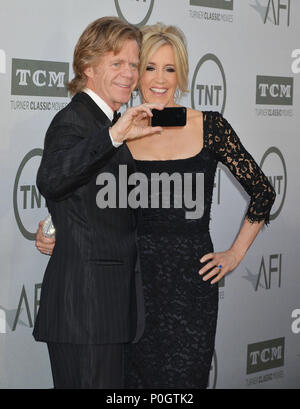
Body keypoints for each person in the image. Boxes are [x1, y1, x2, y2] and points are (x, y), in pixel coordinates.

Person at [36, 23, 276, 389]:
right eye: (147, 67)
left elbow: (262, 191)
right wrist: (53, 229)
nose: (157, 79)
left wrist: (234, 255)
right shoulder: (120, 131)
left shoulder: (210, 126)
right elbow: (82, 193)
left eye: (169, 68)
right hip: (129, 287)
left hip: (190, 288)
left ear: (181, 74)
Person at [33, 16, 163, 389]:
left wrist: (56, 223)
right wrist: (113, 136)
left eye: (134, 64)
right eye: (117, 62)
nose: (129, 73)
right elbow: (52, 178)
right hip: (87, 312)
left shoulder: (108, 123)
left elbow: (86, 197)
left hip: (108, 310)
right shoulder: (75, 121)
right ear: (88, 67)